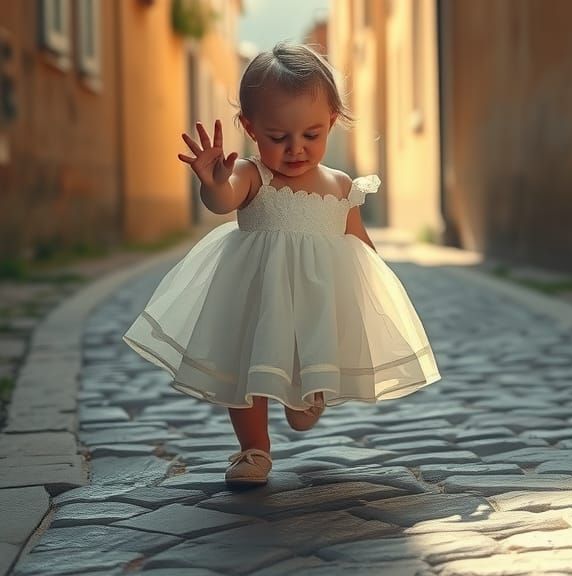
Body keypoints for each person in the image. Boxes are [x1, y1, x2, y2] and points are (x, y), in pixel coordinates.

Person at [123, 42, 440, 487]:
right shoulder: (253, 174)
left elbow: (358, 240)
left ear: (332, 120)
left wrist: (375, 289)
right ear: (251, 129)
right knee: (247, 366)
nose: (295, 149)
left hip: (318, 297)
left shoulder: (340, 184)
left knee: (308, 351)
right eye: (278, 137)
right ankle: (254, 449)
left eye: (311, 135)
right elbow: (223, 199)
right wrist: (213, 182)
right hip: (258, 290)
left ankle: (308, 396)